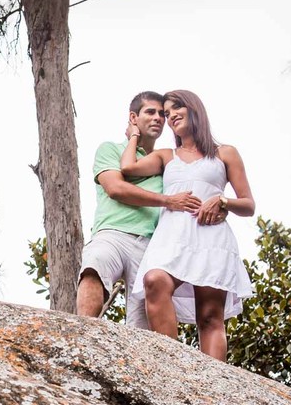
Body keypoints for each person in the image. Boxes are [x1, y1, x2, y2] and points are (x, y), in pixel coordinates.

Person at [120, 89, 255, 361]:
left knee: (209, 317)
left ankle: (215, 385)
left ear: (194, 108)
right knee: (155, 280)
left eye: (176, 108)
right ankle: (173, 367)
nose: (170, 117)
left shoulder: (224, 153)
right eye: (167, 113)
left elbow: (249, 205)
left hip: (211, 237)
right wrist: (133, 133)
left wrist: (222, 201)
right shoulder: (167, 156)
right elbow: (128, 168)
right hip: (172, 236)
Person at [77, 91, 206, 327]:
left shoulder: (167, 162)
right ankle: (83, 334)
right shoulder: (110, 150)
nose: (158, 118)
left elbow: (196, 188)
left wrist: (222, 206)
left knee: (142, 323)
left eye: (162, 114)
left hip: (152, 245)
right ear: (133, 117)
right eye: (150, 112)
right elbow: (116, 188)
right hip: (113, 233)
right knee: (95, 264)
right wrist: (168, 201)